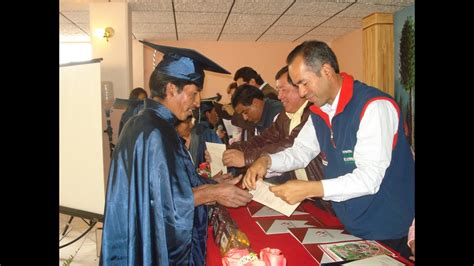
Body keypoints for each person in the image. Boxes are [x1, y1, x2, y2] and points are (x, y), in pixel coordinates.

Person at [243, 40, 414, 259]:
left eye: (304, 83)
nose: (302, 93)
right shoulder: (320, 111)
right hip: (352, 223)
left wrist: (309, 189)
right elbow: (300, 152)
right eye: (297, 86)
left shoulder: (374, 106)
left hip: (389, 227)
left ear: (326, 71)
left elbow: (369, 179)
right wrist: (266, 160)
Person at [100, 41, 253, 265]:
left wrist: (208, 181)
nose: (198, 103)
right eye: (194, 94)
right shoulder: (154, 132)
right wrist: (213, 193)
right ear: (172, 88)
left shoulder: (147, 123)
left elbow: (166, 185)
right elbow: (165, 204)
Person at [222, 66, 333, 214]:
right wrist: (232, 149)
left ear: (300, 88)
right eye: (278, 90)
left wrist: (246, 158)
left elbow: (290, 145)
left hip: (326, 196)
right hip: (309, 197)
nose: (279, 96)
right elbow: (263, 140)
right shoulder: (284, 116)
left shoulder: (313, 113)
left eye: (284, 90)